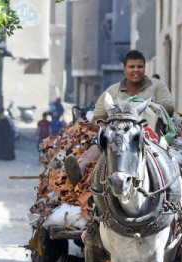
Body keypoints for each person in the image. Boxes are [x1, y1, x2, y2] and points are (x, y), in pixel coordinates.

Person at [65, 49, 174, 185]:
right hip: (117, 137)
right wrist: (112, 125)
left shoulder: (157, 86)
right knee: (100, 140)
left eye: (140, 66)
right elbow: (97, 119)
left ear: (144, 68)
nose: (136, 70)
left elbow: (169, 108)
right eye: (131, 67)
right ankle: (80, 169)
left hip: (150, 134)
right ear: (124, 69)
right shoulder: (112, 91)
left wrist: (144, 106)